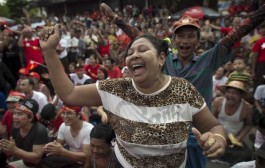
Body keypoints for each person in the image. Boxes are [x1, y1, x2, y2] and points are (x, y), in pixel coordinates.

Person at [99, 2, 265, 167]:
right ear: (173, 40)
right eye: (180, 36)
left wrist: (261, 13)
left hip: (196, 135)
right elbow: (141, 38)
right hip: (165, 135)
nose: (185, 40)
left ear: (198, 41)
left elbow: (234, 36)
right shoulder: (165, 60)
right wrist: (115, 19)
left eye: (191, 36)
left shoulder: (208, 60)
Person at [38, 26, 227, 167]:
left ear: (162, 58)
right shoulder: (115, 89)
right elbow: (69, 94)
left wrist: (218, 138)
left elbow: (212, 126)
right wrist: (49, 51)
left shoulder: (183, 90)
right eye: (130, 53)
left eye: (142, 50)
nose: (134, 55)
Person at [212, 80, 253, 166]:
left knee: (246, 155)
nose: (230, 95)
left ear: (241, 96)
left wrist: (239, 138)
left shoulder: (247, 108)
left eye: (235, 93)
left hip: (234, 139)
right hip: (217, 134)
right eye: (228, 92)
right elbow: (212, 119)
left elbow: (248, 125)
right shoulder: (218, 102)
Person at [0, 99, 48, 168]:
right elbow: (11, 152)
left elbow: (36, 159)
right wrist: (5, 147)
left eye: (20, 114)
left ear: (30, 117)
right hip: (24, 161)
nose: (15, 117)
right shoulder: (15, 127)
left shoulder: (39, 130)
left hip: (40, 165)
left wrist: (14, 150)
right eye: (15, 113)